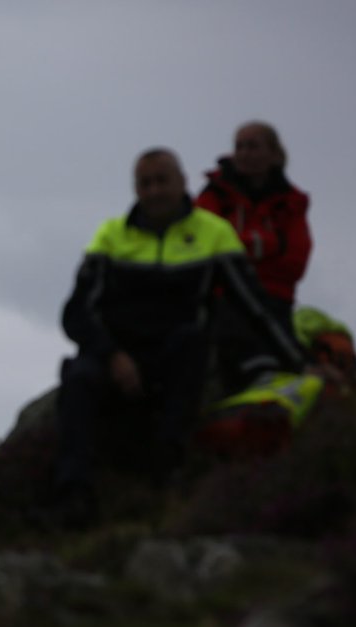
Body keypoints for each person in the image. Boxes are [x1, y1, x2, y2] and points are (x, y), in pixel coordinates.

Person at [55, 148, 304, 526]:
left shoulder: (214, 233)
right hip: (117, 357)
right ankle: (74, 496)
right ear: (135, 189)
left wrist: (302, 364)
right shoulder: (111, 235)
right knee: (77, 380)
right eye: (145, 183)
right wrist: (112, 355)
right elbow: (76, 313)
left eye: (162, 181)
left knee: (194, 340)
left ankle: (166, 472)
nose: (154, 191)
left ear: (183, 182)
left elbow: (255, 307)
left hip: (175, 357)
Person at [195, 122, 311, 391]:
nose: (245, 153)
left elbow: (295, 262)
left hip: (274, 299)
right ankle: (258, 377)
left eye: (253, 146)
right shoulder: (214, 194)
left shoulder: (292, 202)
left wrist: (236, 246)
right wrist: (267, 245)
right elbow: (202, 245)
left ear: (274, 154)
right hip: (223, 295)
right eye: (239, 146)